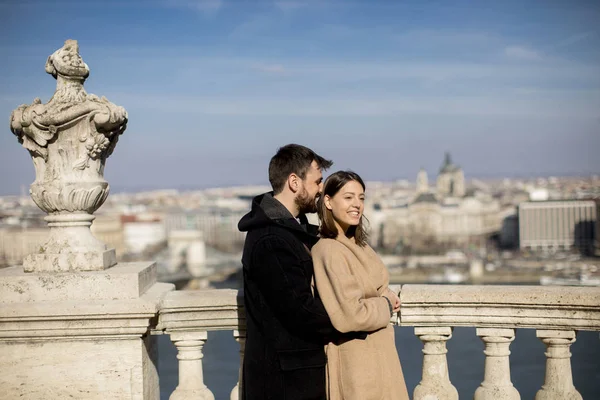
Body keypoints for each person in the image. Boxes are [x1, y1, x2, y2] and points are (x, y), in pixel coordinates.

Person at [239, 144, 362, 400]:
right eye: (317, 182)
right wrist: (358, 318)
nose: (321, 189)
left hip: (295, 375)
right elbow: (302, 312)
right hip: (285, 383)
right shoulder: (271, 240)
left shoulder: (293, 230)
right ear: (294, 182)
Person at [312, 170, 409, 400]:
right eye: (348, 197)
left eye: (361, 198)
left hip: (378, 358)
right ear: (328, 201)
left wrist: (381, 296)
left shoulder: (357, 244)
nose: (357, 204)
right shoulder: (329, 250)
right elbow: (350, 315)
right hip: (356, 366)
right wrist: (385, 304)